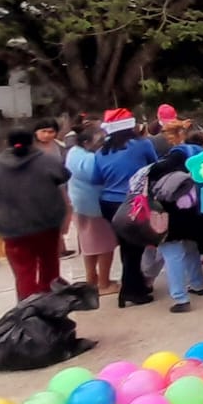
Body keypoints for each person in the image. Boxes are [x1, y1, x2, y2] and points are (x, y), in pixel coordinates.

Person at [0, 129, 71, 302]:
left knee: (24, 272)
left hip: (11, 229)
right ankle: (52, 304)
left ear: (6, 143)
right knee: (49, 266)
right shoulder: (46, 161)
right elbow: (64, 176)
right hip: (46, 224)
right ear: (32, 141)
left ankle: (28, 308)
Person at [92, 109, 160, 307]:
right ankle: (131, 291)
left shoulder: (101, 151)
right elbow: (155, 166)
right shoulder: (143, 144)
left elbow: (96, 179)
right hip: (134, 202)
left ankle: (134, 287)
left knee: (127, 246)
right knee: (135, 248)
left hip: (108, 204)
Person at [148, 149, 203, 313]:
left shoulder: (156, 176)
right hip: (191, 221)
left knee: (173, 258)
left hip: (168, 223)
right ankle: (198, 284)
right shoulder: (189, 177)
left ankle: (181, 298)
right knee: (191, 251)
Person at [66, 125, 116, 293]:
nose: (104, 143)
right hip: (94, 207)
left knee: (89, 245)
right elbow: (100, 176)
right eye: (100, 140)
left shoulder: (73, 152)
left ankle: (92, 279)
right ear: (86, 142)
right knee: (105, 245)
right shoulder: (89, 159)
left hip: (79, 204)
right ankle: (104, 284)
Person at [32, 119, 75, 258]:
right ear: (36, 132)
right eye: (43, 131)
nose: (47, 135)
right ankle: (56, 249)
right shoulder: (31, 148)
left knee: (65, 211)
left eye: (51, 132)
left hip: (59, 185)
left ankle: (60, 245)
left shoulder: (58, 145)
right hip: (41, 188)